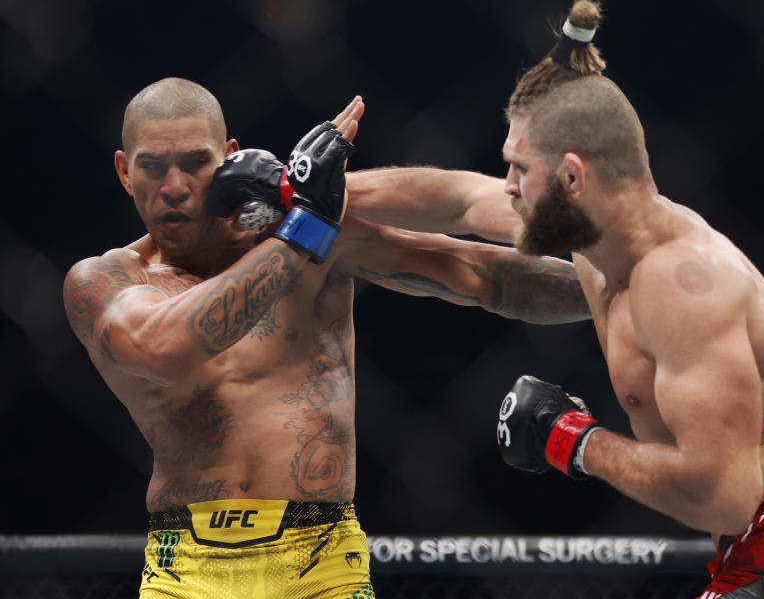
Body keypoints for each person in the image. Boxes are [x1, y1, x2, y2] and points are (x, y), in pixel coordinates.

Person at [361, 0, 764, 599]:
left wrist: (571, 438)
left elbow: (724, 496)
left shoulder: (683, 282)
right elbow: (455, 199)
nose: (505, 187)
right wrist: (301, 193)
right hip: (762, 555)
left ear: (571, 177)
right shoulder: (593, 241)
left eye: (516, 168)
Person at [61, 77, 591, 599]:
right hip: (187, 572)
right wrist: (307, 230)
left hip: (321, 564)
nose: (174, 187)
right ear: (124, 171)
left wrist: (622, 284)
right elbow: (165, 349)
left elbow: (476, 262)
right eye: (152, 166)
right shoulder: (104, 281)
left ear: (228, 157)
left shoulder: (308, 219)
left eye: (195, 163)